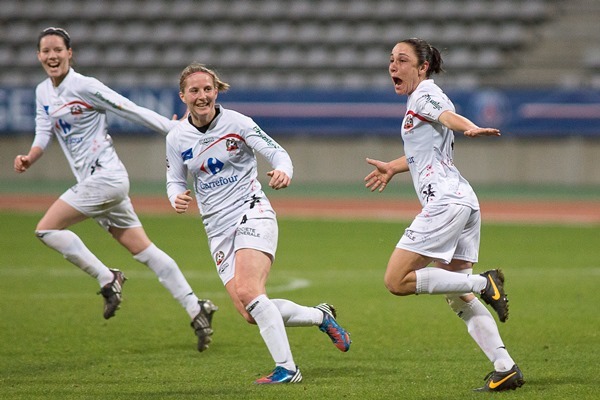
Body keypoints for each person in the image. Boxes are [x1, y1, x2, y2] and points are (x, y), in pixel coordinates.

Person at [13, 27, 217, 352]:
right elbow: (43, 130)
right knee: (146, 251)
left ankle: (107, 277)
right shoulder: (43, 92)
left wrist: (174, 127)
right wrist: (31, 157)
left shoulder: (85, 86)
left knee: (46, 229)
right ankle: (197, 308)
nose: (52, 56)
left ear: (69, 53)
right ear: (39, 56)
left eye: (57, 50)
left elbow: (127, 108)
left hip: (105, 178)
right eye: (46, 51)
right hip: (97, 184)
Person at [166, 63, 351, 384]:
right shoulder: (176, 136)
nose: (202, 95)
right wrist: (175, 196)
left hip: (252, 212)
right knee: (250, 313)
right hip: (217, 230)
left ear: (216, 91)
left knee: (251, 291)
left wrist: (284, 171)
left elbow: (278, 153)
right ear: (183, 95)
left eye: (207, 89)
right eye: (194, 90)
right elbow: (173, 179)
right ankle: (321, 316)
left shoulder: (238, 123)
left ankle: (288, 369)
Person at [364, 38, 524, 392]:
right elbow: (426, 151)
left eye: (402, 60)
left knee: (396, 281)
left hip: (445, 203)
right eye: (391, 59)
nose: (393, 66)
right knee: (456, 294)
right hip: (462, 201)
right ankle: (505, 367)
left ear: (422, 67)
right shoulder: (415, 102)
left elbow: (447, 116)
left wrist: (466, 126)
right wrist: (393, 166)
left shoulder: (425, 94)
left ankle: (485, 283)